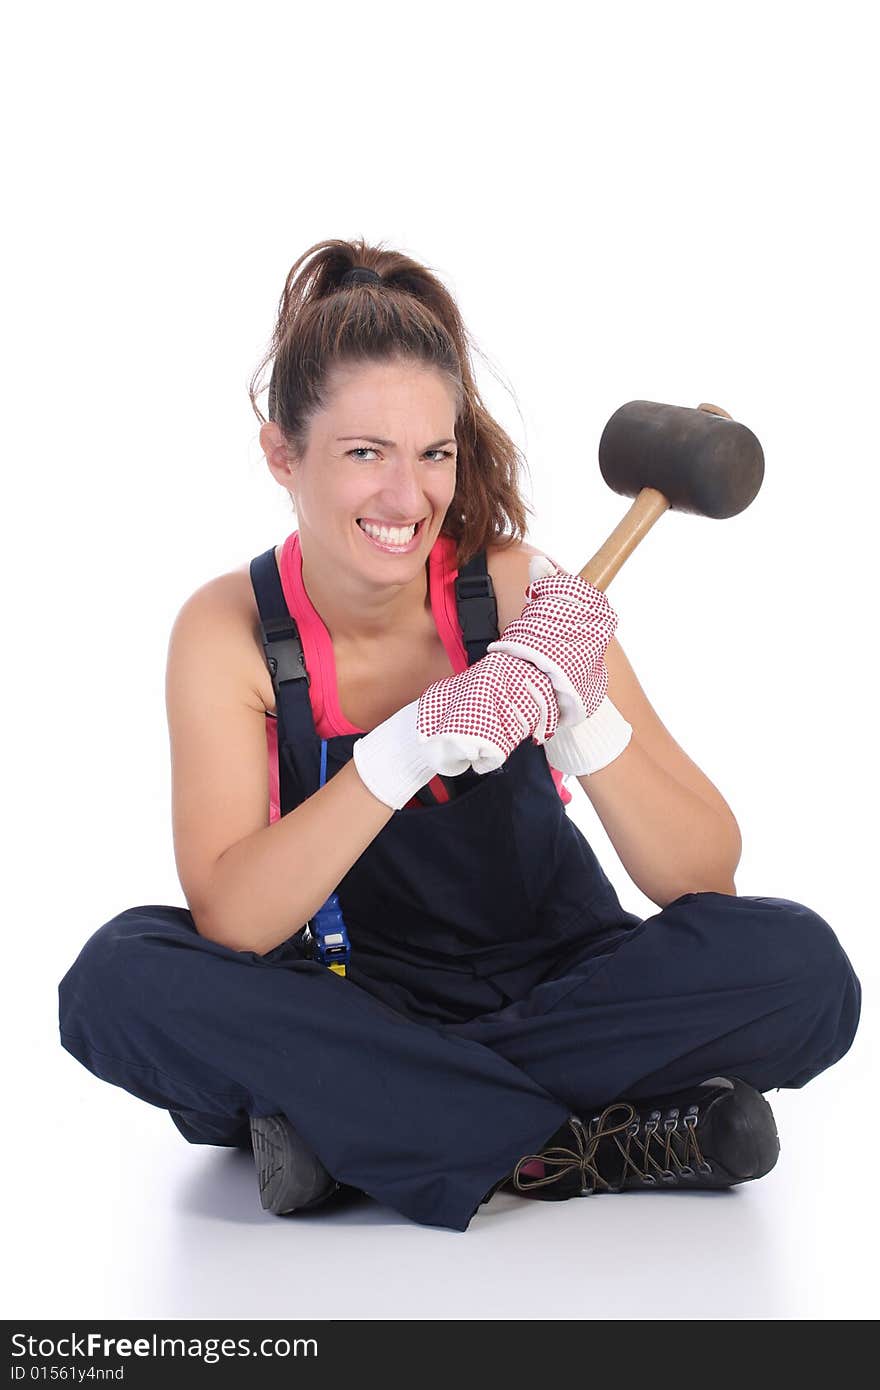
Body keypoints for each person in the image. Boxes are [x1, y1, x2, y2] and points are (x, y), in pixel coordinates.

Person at [57, 239, 861, 1233]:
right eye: (365, 455)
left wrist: (586, 717)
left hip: (559, 978)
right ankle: (591, 1140)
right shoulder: (229, 633)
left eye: (433, 453)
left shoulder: (521, 592)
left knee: (800, 968)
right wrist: (402, 751)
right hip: (347, 993)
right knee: (116, 983)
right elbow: (234, 920)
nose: (408, 499)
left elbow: (702, 875)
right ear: (282, 455)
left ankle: (360, 1131)